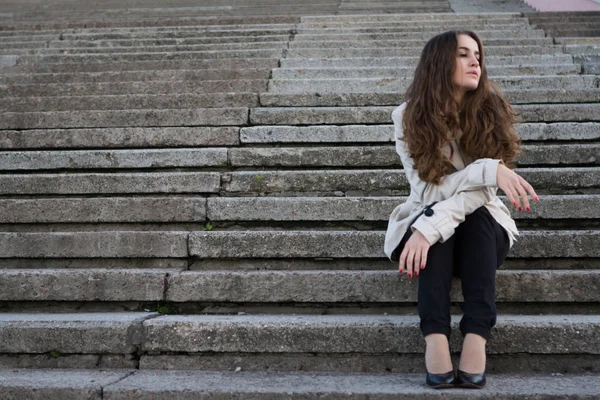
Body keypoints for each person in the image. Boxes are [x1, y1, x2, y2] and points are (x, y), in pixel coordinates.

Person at [383, 30, 539, 389]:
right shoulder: (407, 116)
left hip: (482, 233)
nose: (475, 62)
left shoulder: (490, 111)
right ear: (440, 63)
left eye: (478, 56)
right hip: (428, 221)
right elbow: (428, 190)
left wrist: (429, 227)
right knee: (434, 216)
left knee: (476, 216)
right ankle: (435, 337)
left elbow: (480, 195)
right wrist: (488, 170)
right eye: (464, 55)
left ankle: (476, 336)